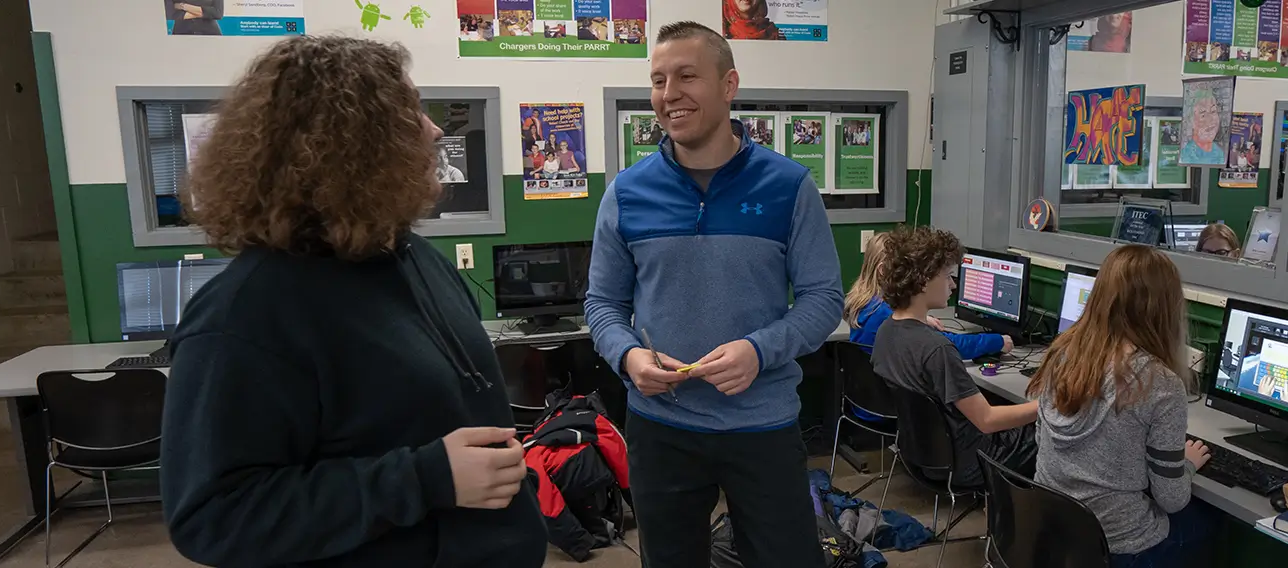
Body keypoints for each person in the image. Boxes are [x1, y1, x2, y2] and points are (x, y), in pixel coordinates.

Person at [158, 36, 546, 568]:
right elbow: (213, 518)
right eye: (409, 113)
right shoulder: (245, 315)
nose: (434, 130)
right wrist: (422, 479)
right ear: (352, 146)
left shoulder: (413, 257)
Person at [585, 21, 843, 568]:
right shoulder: (627, 194)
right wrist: (629, 356)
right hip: (662, 428)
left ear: (728, 85)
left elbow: (824, 300)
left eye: (686, 76)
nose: (669, 94)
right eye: (658, 80)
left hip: (764, 426)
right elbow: (602, 304)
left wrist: (759, 349)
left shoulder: (789, 186)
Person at [1026, 245, 1213, 567]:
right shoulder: (1162, 384)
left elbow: (1040, 440)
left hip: (1056, 529)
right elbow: (1171, 500)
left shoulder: (1062, 354)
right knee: (1207, 523)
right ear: (1166, 307)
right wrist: (1189, 464)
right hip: (1121, 545)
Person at [871, 226, 1038, 487]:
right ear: (924, 280)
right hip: (967, 463)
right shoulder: (937, 349)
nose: (953, 284)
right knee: (1045, 431)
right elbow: (987, 420)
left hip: (921, 455)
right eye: (948, 276)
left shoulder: (885, 331)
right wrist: (1048, 408)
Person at [845, 232, 1010, 359]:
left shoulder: (864, 303)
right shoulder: (884, 316)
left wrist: (918, 320)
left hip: (869, 401)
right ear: (882, 271)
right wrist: (997, 341)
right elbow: (948, 346)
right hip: (892, 402)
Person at [1181, 88, 1225, 165]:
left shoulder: (1220, 153)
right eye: (1203, 115)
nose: (1210, 119)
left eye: (1213, 111)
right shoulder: (1186, 155)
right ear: (1191, 121)